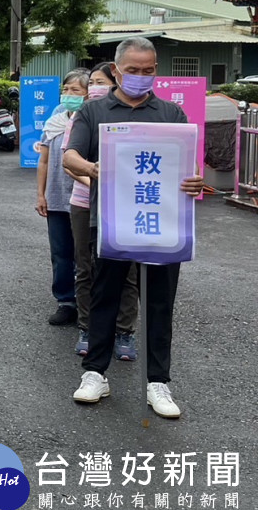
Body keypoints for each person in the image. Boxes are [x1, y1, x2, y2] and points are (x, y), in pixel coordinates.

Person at [65, 37, 203, 419]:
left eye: (148, 70)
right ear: (117, 70)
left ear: (155, 69)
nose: (141, 77)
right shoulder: (93, 112)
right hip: (112, 222)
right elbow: (70, 157)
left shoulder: (171, 114)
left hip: (161, 224)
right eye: (133, 70)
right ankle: (95, 373)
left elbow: (189, 168)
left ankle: (158, 381)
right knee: (104, 295)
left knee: (160, 301)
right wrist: (92, 167)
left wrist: (194, 180)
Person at [66, 62, 139, 359]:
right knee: (85, 268)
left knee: (128, 270)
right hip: (84, 203)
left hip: (124, 204)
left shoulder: (132, 119)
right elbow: (69, 161)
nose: (96, 87)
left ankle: (124, 332)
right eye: (92, 82)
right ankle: (87, 327)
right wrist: (99, 183)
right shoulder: (83, 115)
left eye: (100, 82)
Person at [34, 68, 89, 328]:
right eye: (66, 90)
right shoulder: (55, 119)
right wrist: (40, 194)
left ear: (88, 94)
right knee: (60, 253)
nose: (69, 95)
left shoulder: (91, 120)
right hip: (56, 196)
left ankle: (86, 303)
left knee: (85, 254)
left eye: (76, 91)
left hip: (84, 198)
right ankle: (65, 302)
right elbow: (44, 160)